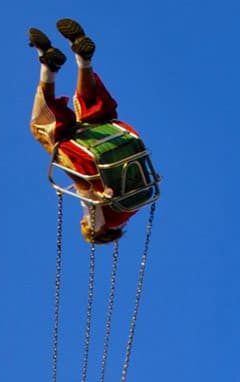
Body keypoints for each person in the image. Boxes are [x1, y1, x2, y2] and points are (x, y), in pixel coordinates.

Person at [28, 19, 153, 244]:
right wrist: (83, 192)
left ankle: (83, 60)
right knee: (43, 129)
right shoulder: (103, 222)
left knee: (92, 111)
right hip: (90, 162)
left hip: (115, 139)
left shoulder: (135, 203)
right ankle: (48, 67)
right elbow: (88, 198)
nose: (82, 220)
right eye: (83, 224)